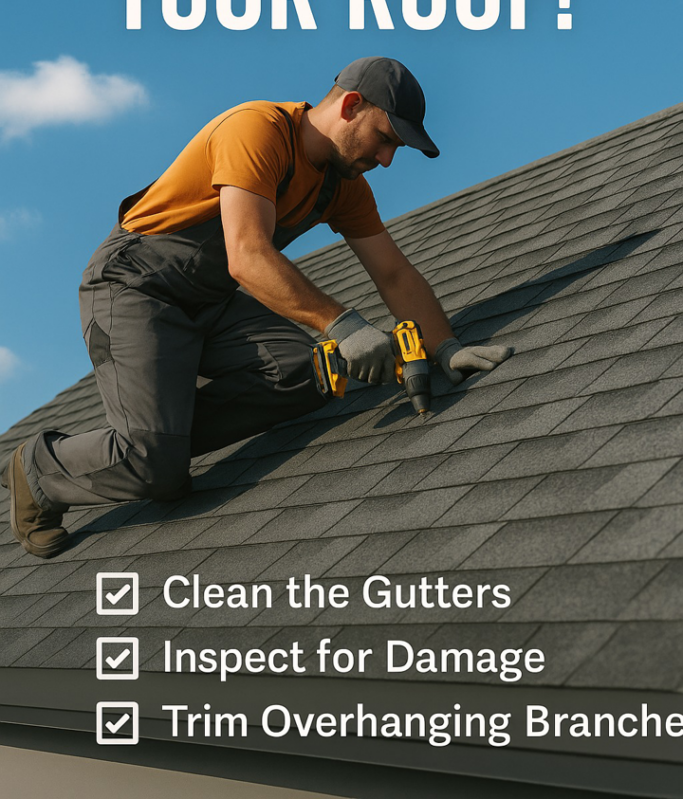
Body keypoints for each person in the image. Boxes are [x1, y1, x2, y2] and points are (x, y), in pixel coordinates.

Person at [3, 56, 511, 558]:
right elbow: (247, 257)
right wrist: (345, 325)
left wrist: (446, 346)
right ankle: (39, 469)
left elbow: (394, 273)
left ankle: (161, 436)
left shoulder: (343, 187)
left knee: (310, 372)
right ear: (352, 105)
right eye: (385, 139)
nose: (386, 160)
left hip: (208, 297)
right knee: (155, 467)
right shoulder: (257, 129)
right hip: (134, 286)